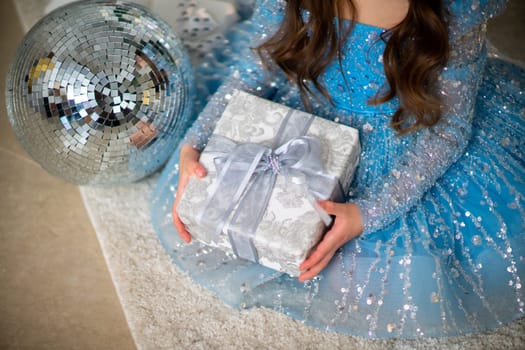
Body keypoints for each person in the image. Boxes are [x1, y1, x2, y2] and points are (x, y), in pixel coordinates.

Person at [150, 0, 524, 338]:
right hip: (311, 116)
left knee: (385, 282)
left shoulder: (456, 10)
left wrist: (369, 212)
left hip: (405, 139)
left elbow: (448, 131)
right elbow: (251, 76)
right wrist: (196, 145)